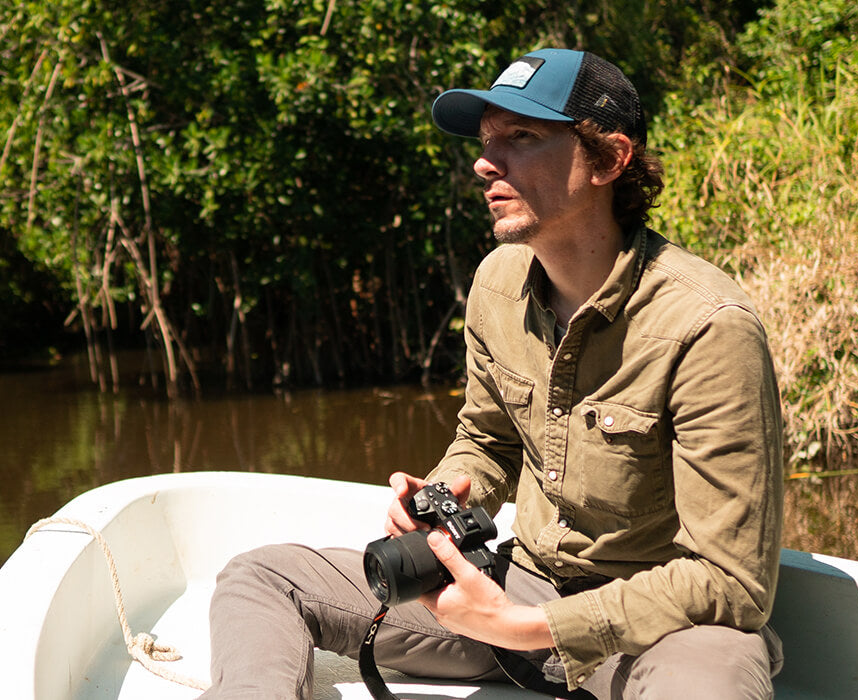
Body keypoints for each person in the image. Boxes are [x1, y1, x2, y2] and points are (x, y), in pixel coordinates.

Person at [198, 48, 785, 699]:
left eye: (522, 137)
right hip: (519, 591)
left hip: (661, 629)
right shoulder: (496, 282)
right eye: (485, 142)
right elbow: (489, 439)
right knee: (264, 577)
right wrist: (443, 497)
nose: (484, 162)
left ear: (610, 159)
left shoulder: (709, 325)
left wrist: (525, 626)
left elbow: (731, 582)